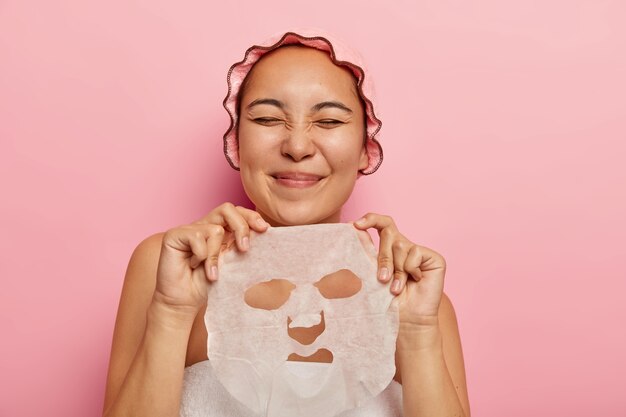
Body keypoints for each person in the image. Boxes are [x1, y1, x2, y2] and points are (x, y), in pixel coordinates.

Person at [102, 29, 471, 417]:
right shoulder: (168, 267)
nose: (297, 147)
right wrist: (172, 311)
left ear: (366, 148)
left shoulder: (418, 300)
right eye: (267, 118)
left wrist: (417, 335)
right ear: (237, 142)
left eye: (328, 121)